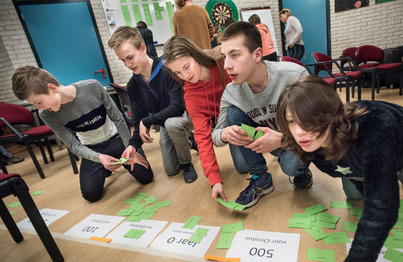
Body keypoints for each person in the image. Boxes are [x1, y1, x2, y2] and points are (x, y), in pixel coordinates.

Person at [276, 76, 403, 261]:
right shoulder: (307, 139)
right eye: (291, 121)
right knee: (355, 196)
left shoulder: (377, 130)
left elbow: (382, 210)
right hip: (354, 156)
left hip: (398, 139)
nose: (299, 132)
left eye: (308, 120)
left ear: (330, 116)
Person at [11, 66, 154, 202]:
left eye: (39, 102)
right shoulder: (47, 115)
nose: (39, 108)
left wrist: (130, 147)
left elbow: (119, 120)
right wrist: (98, 158)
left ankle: (112, 162)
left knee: (146, 177)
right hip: (92, 148)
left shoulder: (92, 87)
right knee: (90, 194)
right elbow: (73, 145)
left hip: (117, 139)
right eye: (35, 105)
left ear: (52, 88)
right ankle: (104, 167)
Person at [211, 21, 312, 208]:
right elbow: (215, 136)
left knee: (292, 166)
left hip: (292, 140)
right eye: (225, 57)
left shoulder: (295, 76)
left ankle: (301, 171)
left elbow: (318, 128)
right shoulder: (231, 91)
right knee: (233, 116)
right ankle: (261, 179)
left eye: (235, 55)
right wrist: (224, 134)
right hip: (260, 139)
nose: (226, 65)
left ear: (257, 54)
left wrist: (282, 140)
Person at [108, 26, 198, 183]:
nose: (128, 65)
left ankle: (187, 164)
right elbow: (139, 121)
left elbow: (177, 107)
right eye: (123, 60)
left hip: (184, 116)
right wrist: (132, 146)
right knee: (170, 170)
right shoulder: (133, 86)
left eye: (130, 57)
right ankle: (187, 140)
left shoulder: (167, 68)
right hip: (165, 122)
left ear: (143, 48)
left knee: (171, 124)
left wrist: (148, 121)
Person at [163, 35, 232, 202]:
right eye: (178, 72)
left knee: (244, 166)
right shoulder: (191, 95)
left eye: (186, 67)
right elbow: (202, 137)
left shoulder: (222, 64)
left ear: (195, 55)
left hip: (238, 115)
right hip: (222, 125)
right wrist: (214, 179)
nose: (185, 75)